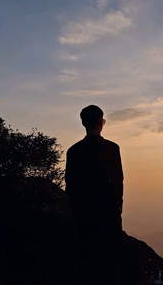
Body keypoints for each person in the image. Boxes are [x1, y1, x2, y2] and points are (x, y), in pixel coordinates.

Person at [65, 105, 124, 285]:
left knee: (83, 262)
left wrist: (76, 210)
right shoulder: (112, 148)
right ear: (101, 122)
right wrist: (117, 209)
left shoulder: (73, 151)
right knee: (110, 264)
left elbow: (70, 184)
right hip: (108, 213)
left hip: (83, 214)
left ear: (83, 123)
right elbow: (118, 181)